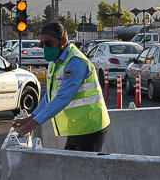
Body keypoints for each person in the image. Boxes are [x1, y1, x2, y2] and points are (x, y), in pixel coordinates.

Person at [11, 22, 110, 151]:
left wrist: (33, 124)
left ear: (63, 41)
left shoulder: (76, 62)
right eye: (42, 44)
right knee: (69, 166)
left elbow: (63, 97)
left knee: (83, 169)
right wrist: (31, 117)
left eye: (48, 44)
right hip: (76, 126)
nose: (44, 48)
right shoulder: (56, 61)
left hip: (90, 126)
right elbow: (51, 95)